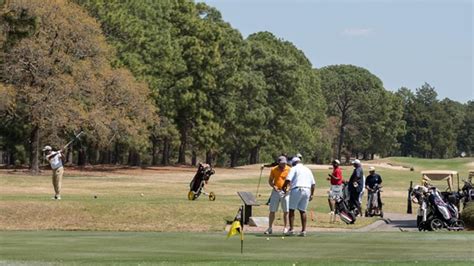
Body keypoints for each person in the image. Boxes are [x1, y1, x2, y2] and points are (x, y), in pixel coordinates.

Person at [282, 157, 315, 237]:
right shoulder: (307, 169)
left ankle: (292, 229)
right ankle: (303, 231)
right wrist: (312, 194)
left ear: (294, 163)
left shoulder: (294, 168)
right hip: (307, 190)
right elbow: (313, 184)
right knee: (303, 211)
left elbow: (288, 180)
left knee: (291, 209)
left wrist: (283, 187)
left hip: (297, 189)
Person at [264, 156, 291, 235]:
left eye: (285, 163)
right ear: (278, 162)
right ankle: (270, 228)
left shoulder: (289, 169)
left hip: (286, 192)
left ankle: (285, 228)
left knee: (286, 211)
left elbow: (291, 181)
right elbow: (270, 181)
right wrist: (273, 186)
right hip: (276, 191)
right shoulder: (274, 169)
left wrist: (288, 188)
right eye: (282, 163)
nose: (283, 164)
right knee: (272, 210)